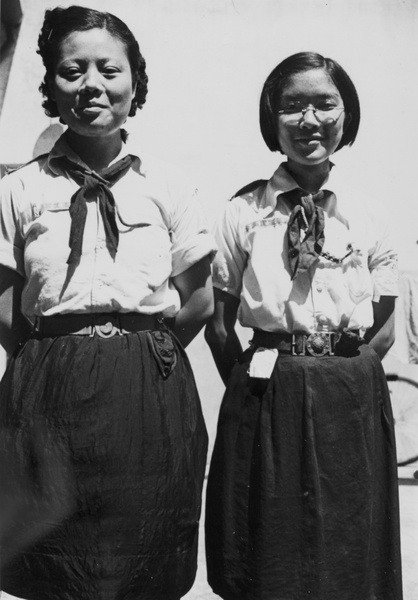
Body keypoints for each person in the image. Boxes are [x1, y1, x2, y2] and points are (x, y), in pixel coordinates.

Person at [0, 6, 215, 600]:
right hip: (48, 385)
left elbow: (197, 302)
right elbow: (3, 305)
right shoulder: (17, 189)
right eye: (72, 70)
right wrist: (54, 360)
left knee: (140, 555)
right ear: (51, 85)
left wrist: (140, 354)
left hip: (146, 384)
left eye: (108, 69)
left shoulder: (169, 185)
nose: (91, 84)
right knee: (53, 556)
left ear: (134, 83)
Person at [204, 52, 402, 600]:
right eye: (292, 106)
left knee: (349, 536)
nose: (309, 120)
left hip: (348, 387)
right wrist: (260, 388)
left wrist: (337, 372)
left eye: (324, 103)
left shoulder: (369, 212)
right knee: (268, 538)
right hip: (268, 387)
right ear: (272, 118)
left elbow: (383, 328)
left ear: (346, 115)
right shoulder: (241, 211)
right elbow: (218, 327)